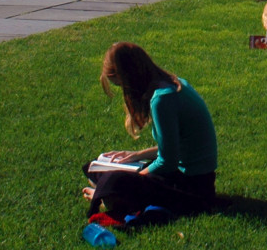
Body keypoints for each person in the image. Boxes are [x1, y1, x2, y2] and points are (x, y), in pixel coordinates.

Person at [83, 42, 217, 218]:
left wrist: (137, 176)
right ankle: (109, 192)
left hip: (191, 187)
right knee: (92, 168)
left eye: (121, 85)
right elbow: (175, 148)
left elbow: (168, 162)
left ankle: (107, 196)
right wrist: (136, 155)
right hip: (187, 176)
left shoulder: (162, 99)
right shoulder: (172, 85)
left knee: (114, 180)